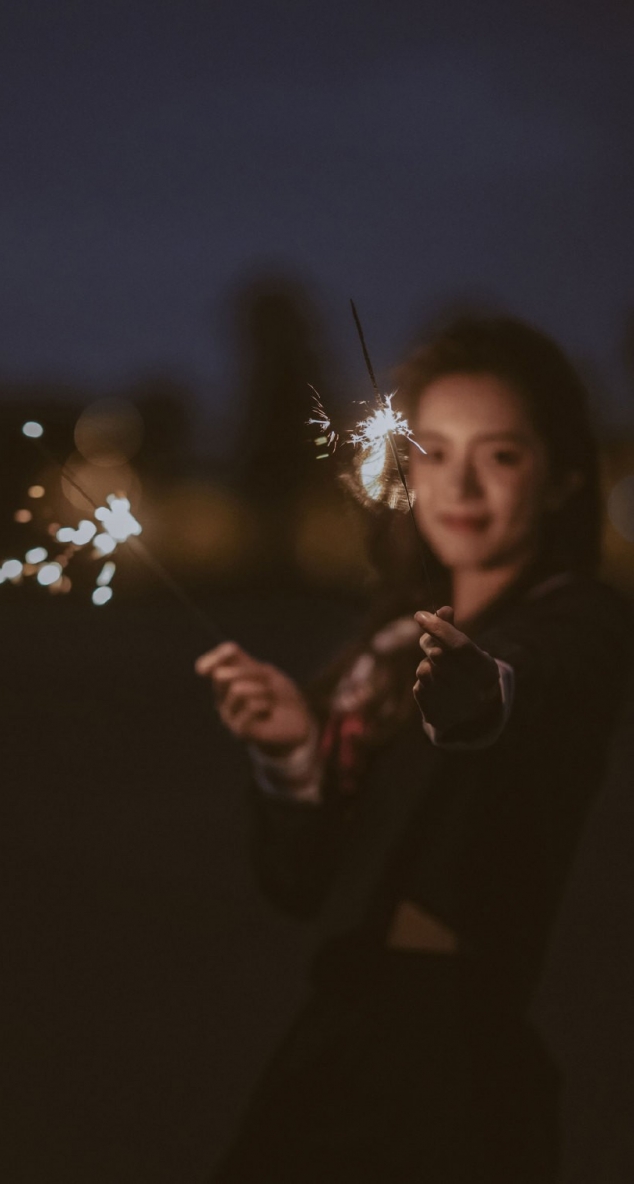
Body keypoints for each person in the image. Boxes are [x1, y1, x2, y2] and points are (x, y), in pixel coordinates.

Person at [195, 316, 632, 1183]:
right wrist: (289, 755)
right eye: (434, 450)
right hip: (337, 1031)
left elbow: (529, 681)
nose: (462, 483)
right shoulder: (383, 657)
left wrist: (483, 695)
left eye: (502, 454)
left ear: (561, 479)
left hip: (452, 1052)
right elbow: (298, 883)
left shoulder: (575, 621)